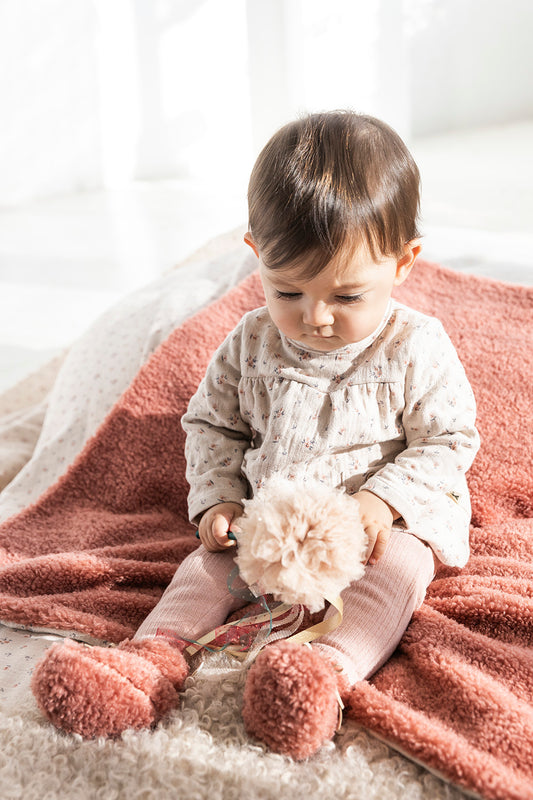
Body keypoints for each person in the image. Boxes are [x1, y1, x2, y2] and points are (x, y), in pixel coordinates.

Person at [32, 111, 480, 759]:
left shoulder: (415, 347)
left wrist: (380, 503)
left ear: (403, 262)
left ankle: (321, 671)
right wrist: (216, 502)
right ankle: (149, 659)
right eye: (287, 290)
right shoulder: (250, 343)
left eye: (347, 297)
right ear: (255, 258)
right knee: (209, 565)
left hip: (375, 528)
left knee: (399, 572)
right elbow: (213, 424)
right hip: (268, 526)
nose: (315, 317)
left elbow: (447, 439)